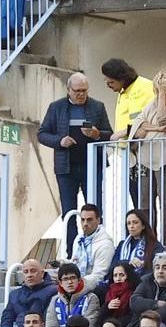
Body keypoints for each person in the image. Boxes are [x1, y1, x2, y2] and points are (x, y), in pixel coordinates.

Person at [37, 74, 112, 248]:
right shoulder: (56, 107)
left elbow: (109, 133)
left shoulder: (97, 107)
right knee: (69, 210)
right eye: (77, 91)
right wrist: (59, 141)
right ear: (68, 90)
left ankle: (96, 246)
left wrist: (97, 134)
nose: (80, 95)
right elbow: (42, 134)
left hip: (92, 166)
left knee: (94, 208)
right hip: (66, 167)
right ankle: (72, 250)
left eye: (84, 91)